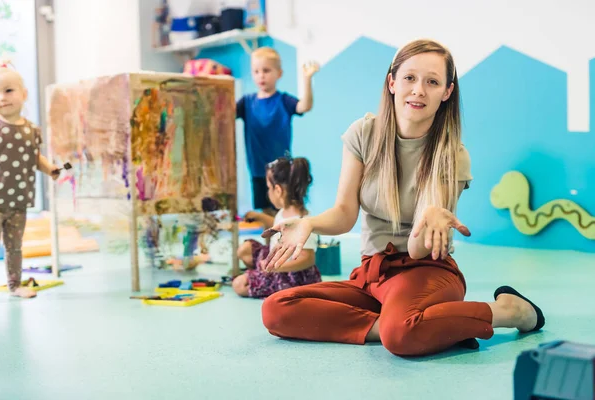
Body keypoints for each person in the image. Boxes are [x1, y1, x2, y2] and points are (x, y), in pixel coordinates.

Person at [258, 39, 545, 357]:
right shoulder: (362, 134)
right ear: (392, 82)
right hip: (373, 273)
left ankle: (509, 311)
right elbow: (344, 212)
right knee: (278, 309)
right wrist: (309, 223)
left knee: (400, 337)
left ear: (446, 92)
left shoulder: (452, 155)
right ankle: (429, 325)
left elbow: (419, 249)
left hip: (427, 271)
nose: (419, 90)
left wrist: (434, 215)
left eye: (432, 81)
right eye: (409, 78)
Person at [0, 62, 61, 298]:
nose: (2, 98)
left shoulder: (32, 130)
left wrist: (49, 168)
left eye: (8, 90)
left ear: (24, 94)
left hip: (19, 200)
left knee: (15, 246)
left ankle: (14, 285)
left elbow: (34, 157)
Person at [236, 47, 319, 216]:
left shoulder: (283, 100)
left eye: (266, 70)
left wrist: (307, 79)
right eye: (256, 71)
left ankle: (287, 240)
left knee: (285, 209)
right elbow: (225, 114)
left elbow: (305, 106)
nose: (261, 75)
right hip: (258, 170)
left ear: (279, 74)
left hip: (282, 170)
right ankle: (271, 243)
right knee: (266, 211)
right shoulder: (246, 102)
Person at [232, 156, 321, 298]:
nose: (268, 192)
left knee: (239, 285)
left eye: (268, 188)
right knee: (245, 249)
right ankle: (260, 273)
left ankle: (264, 278)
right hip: (275, 257)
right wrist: (259, 217)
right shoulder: (286, 211)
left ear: (278, 190)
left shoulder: (302, 222)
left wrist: (276, 267)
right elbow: (279, 224)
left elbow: (308, 259)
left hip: (291, 274)